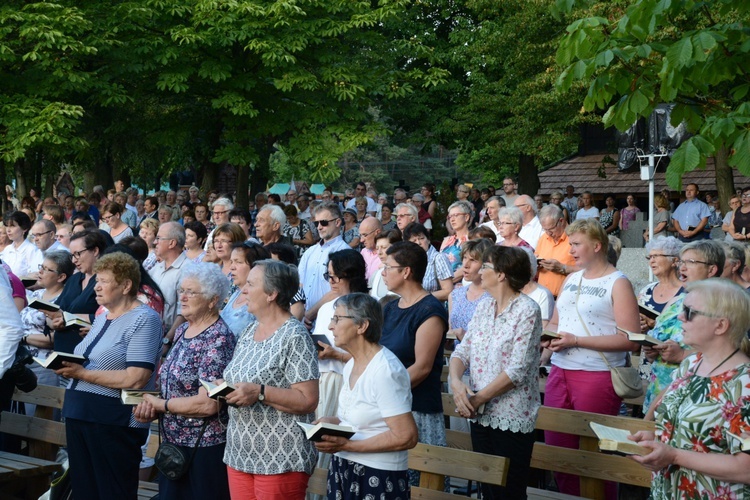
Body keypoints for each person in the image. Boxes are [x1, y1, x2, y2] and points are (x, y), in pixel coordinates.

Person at [542, 219, 640, 499]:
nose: (570, 250)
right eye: (570, 243)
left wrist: (576, 340)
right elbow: (557, 323)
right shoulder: (572, 278)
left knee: (593, 455)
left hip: (597, 375)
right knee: (557, 450)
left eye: (575, 244)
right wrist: (546, 341)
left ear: (597, 246)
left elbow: (630, 339)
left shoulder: (617, 282)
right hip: (560, 370)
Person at [630, 279, 750, 499]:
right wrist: (657, 437)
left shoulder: (744, 384)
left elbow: (746, 468)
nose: (680, 316)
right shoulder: (692, 363)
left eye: (690, 312)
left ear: (721, 325)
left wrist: (674, 455)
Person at [55, 252, 162, 499]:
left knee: (112, 491)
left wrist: (81, 373)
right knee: (84, 491)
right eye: (97, 280)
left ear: (125, 285)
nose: (97, 286)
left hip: (114, 419)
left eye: (104, 280)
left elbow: (136, 377)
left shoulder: (145, 319)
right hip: (80, 412)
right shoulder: (103, 317)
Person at [134, 263, 235, 500]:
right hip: (173, 446)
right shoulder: (182, 331)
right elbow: (170, 386)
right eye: (182, 290)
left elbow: (208, 403)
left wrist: (162, 406)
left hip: (203, 449)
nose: (183, 297)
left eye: (192, 292)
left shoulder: (218, 338)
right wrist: (151, 407)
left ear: (213, 300)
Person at [450, 245, 542, 499]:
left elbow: (517, 370)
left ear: (501, 274)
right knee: (487, 487)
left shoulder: (527, 310)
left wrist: (477, 399)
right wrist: (456, 382)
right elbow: (462, 351)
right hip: (479, 413)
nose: (480, 270)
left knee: (509, 491)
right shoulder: (484, 306)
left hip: (511, 415)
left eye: (486, 266)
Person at [222, 260, 319, 497]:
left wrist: (259, 391)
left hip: (280, 456)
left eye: (251, 284)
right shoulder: (249, 330)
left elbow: (308, 400)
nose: (242, 290)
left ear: (272, 294)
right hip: (239, 451)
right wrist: (225, 388)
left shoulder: (294, 335)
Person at [314, 293, 417, 499]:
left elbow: (406, 436)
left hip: (377, 475)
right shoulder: (351, 363)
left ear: (362, 326)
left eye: (337, 319)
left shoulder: (385, 371)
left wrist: (349, 445)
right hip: (345, 465)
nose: (330, 326)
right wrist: (330, 423)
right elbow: (358, 421)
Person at [380, 241, 448, 485]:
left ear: (406, 271)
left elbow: (422, 368)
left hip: (415, 410)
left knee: (416, 486)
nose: (382, 272)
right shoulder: (390, 308)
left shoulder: (430, 310)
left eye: (388, 267)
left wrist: (383, 392)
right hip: (388, 406)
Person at [642, 240, 724, 414]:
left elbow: (732, 351)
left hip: (695, 400)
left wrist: (683, 355)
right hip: (660, 393)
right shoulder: (678, 301)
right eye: (682, 261)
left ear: (711, 270)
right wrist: (653, 351)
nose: (683, 268)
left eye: (691, 262)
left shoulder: (722, 304)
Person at [310, 250, 369, 475]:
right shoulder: (327, 307)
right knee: (317, 445)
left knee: (333, 447)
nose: (331, 282)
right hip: (321, 379)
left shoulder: (368, 307)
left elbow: (372, 355)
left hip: (348, 382)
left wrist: (337, 355)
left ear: (349, 276)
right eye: (328, 276)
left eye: (334, 277)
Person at [46, 230, 108, 353]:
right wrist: (53, 323)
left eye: (78, 254)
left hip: (87, 355)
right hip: (62, 351)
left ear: (95, 251)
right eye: (72, 255)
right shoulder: (74, 279)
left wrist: (71, 318)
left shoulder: (106, 282)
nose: (74, 260)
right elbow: (55, 311)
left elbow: (111, 317)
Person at [20, 251, 75, 389]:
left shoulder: (64, 300)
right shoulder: (36, 294)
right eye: (41, 267)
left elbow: (57, 338)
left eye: (46, 269)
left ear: (61, 277)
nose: (40, 271)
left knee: (39, 407)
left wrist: (23, 338)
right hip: (22, 360)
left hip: (43, 365)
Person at [220, 242, 270, 337]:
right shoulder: (236, 293)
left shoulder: (260, 299)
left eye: (238, 262)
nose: (232, 267)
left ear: (255, 266)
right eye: (231, 262)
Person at [403, 222, 453, 302]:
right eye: (414, 240)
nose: (418, 243)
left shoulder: (438, 258)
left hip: (433, 309)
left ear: (428, 240)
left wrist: (421, 298)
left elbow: (448, 291)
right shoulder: (407, 262)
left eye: (421, 238)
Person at [535, 205, 577, 297]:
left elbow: (589, 269)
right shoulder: (543, 238)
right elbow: (536, 257)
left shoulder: (575, 238)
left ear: (561, 221)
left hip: (567, 297)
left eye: (551, 229)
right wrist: (536, 265)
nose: (548, 233)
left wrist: (563, 268)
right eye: (545, 229)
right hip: (544, 297)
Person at [2, 211, 42, 277]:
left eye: (12, 226)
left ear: (24, 229)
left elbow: (35, 275)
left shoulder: (32, 250)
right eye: (7, 226)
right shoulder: (7, 249)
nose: (8, 230)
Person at [440, 201, 472, 280]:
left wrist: (447, 282)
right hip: (443, 282)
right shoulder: (447, 240)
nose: (452, 219)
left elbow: (470, 266)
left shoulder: (473, 239)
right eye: (450, 216)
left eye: (456, 215)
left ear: (466, 217)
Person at [369, 229, 401, 300]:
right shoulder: (376, 275)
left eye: (384, 247)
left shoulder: (405, 274)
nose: (379, 252)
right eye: (377, 248)